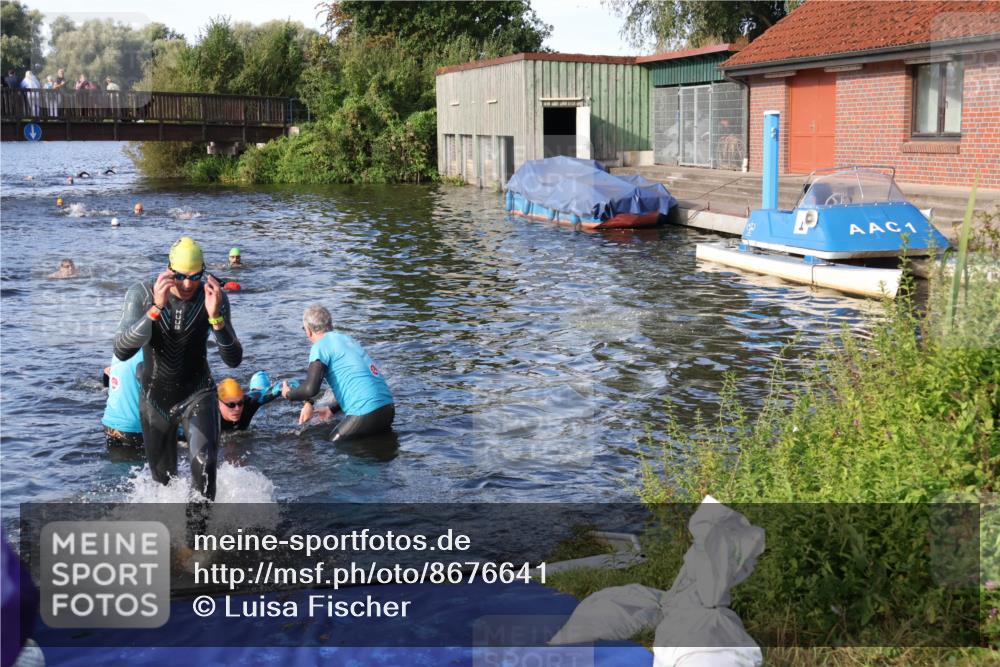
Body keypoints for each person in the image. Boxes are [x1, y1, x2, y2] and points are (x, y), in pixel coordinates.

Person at [113, 237, 242, 499]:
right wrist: (156, 308)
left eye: (195, 277)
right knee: (163, 482)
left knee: (205, 468)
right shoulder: (142, 293)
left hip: (198, 393)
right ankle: (173, 537)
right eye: (181, 276)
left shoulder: (213, 297)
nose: (187, 284)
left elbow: (234, 359)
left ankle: (197, 539)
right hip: (154, 400)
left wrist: (215, 317)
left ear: (204, 271)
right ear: (169, 271)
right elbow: (122, 350)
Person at [282, 305, 394, 441]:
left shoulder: (320, 346)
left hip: (366, 413)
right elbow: (358, 384)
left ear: (309, 331)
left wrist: (288, 394)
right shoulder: (347, 340)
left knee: (334, 444)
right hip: (388, 408)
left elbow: (310, 389)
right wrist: (331, 410)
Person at [217, 372, 294, 432]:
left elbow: (291, 383)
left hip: (254, 394)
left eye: (240, 403)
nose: (237, 409)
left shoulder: (249, 402)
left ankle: (259, 381)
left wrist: (285, 389)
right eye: (231, 405)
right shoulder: (209, 415)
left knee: (260, 391)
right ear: (219, 403)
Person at [102, 349, 144, 448]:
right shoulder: (153, 353)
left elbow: (107, 372)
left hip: (109, 425)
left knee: (119, 462)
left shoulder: (120, 350)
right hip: (135, 429)